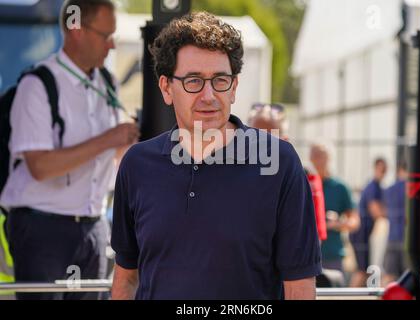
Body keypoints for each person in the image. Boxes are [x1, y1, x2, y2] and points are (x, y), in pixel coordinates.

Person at [111, 12, 322, 300]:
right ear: (166, 88)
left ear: (234, 87)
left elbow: (299, 287)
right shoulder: (137, 165)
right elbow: (126, 279)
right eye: (194, 81)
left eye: (220, 80)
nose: (209, 95)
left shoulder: (278, 163)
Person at [0, 0, 139, 300]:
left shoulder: (108, 83)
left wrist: (133, 144)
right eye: (106, 36)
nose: (112, 46)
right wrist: (109, 138)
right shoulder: (37, 85)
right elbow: (40, 167)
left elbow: (113, 155)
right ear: (76, 29)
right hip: (43, 227)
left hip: (95, 225)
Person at [247, 103, 327, 241]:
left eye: (269, 139)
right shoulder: (230, 173)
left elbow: (313, 238)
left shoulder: (306, 176)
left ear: (285, 141)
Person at [310, 144, 360, 272]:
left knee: (333, 292)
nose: (319, 160)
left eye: (322, 156)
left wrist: (336, 223)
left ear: (329, 158)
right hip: (306, 255)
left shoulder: (340, 187)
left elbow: (354, 222)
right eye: (315, 156)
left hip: (333, 256)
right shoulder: (303, 184)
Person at [349, 158, 387, 287]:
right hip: (361, 232)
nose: (382, 172)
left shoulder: (377, 186)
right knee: (362, 270)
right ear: (375, 168)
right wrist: (394, 215)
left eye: (384, 170)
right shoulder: (373, 187)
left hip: (365, 233)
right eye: (380, 169)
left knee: (365, 269)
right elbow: (375, 210)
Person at [383, 161, 408, 286]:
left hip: (392, 237)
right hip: (407, 240)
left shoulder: (389, 190)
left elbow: (383, 210)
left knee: (389, 275)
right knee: (408, 276)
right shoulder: (413, 188)